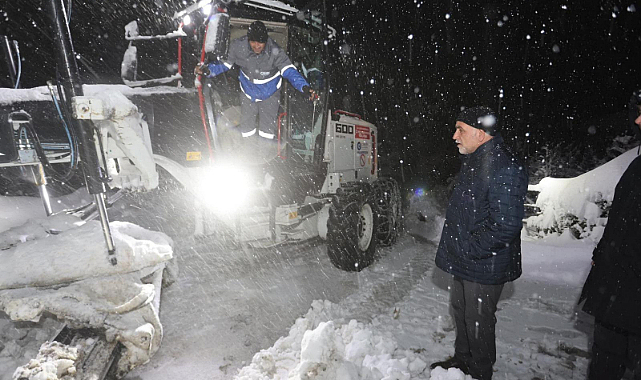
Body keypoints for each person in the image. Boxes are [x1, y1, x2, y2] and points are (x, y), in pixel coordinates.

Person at [430, 106, 528, 380]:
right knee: (462, 311)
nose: (454, 135)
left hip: (484, 263)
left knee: (479, 321)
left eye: (461, 129)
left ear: (481, 134)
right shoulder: (477, 159)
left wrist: (470, 249)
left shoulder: (504, 167)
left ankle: (480, 373)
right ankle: (462, 361)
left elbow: (505, 225)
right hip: (468, 259)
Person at [578, 89, 641, 380]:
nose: (638, 121)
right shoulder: (637, 165)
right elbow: (623, 224)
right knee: (604, 363)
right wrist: (601, 257)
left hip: (628, 295)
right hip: (617, 294)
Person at [195, 20, 317, 145]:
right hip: (248, 93)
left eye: (261, 42)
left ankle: (264, 156)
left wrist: (304, 87)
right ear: (248, 39)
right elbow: (225, 64)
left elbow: (290, 71)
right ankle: (247, 155)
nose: (256, 45)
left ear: (266, 41)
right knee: (247, 130)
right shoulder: (238, 47)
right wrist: (208, 70)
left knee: (266, 133)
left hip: (270, 94)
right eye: (253, 41)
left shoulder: (275, 52)